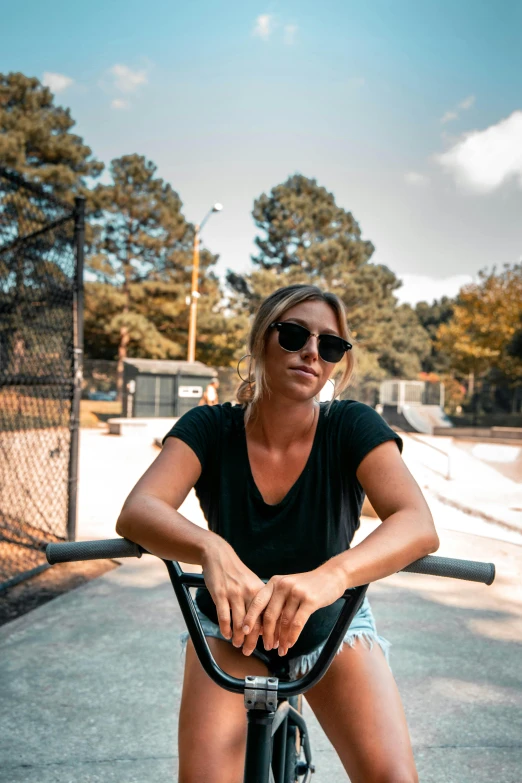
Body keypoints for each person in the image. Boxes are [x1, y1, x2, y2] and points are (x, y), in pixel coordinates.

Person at [116, 284, 439, 783]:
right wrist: (210, 547)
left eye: (330, 345)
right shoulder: (208, 427)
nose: (312, 351)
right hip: (228, 630)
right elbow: (139, 510)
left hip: (330, 624)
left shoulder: (351, 425)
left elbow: (417, 523)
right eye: (294, 335)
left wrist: (333, 576)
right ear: (261, 341)